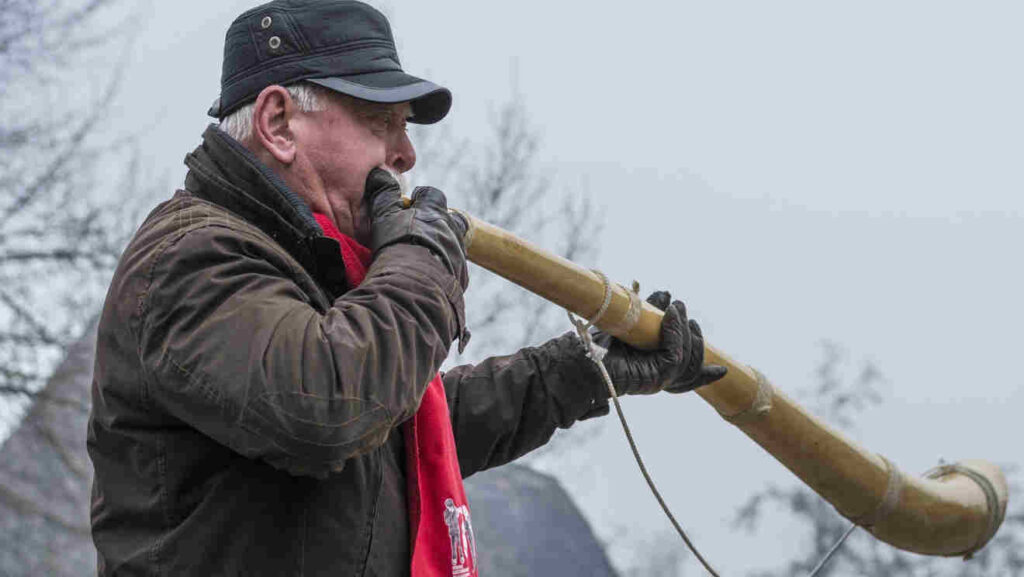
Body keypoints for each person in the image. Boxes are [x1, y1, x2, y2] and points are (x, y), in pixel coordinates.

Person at [86, 1, 726, 575]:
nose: (406, 154)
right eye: (379, 120)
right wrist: (425, 257)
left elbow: (396, 433)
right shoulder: (191, 256)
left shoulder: (313, 270)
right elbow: (329, 403)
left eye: (405, 127)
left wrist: (584, 372)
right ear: (279, 123)